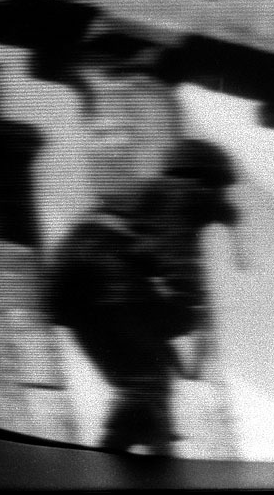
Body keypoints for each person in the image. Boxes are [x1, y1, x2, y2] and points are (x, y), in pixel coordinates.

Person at [47, 138, 239, 455]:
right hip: (107, 281)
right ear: (206, 180)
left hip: (76, 293)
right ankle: (143, 445)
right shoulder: (181, 195)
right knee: (149, 377)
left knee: (143, 381)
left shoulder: (151, 197)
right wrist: (191, 308)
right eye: (221, 188)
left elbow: (151, 254)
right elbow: (178, 264)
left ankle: (131, 442)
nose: (224, 197)